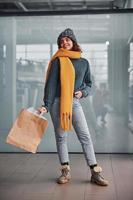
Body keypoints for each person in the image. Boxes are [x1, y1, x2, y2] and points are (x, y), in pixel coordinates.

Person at [38, 28, 108, 186]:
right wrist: (46, 105)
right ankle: (65, 170)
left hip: (74, 103)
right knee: (61, 137)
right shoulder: (58, 60)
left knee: (85, 136)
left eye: (67, 39)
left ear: (73, 41)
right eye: (61, 41)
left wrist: (82, 93)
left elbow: (89, 84)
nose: (64, 42)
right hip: (57, 103)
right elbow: (50, 84)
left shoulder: (84, 62)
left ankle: (95, 172)